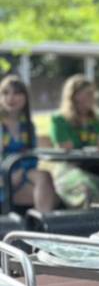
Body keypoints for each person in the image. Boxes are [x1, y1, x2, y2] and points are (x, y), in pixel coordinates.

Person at [49, 76, 99, 207]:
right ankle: (91, 223)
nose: (93, 97)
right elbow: (66, 148)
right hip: (70, 168)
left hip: (97, 167)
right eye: (88, 93)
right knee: (90, 189)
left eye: (94, 93)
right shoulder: (59, 119)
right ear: (75, 96)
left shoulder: (97, 119)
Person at [0, 74, 57, 213]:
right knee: (49, 193)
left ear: (25, 97)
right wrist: (8, 172)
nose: (10, 98)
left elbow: (31, 156)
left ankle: (42, 226)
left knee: (45, 179)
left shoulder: (28, 126)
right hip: (4, 178)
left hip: (23, 175)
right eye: (5, 93)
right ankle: (42, 227)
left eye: (17, 93)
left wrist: (21, 169)